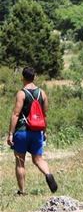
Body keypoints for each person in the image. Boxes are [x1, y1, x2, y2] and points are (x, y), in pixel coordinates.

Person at [6, 67, 58, 195]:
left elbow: (16, 114)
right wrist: (44, 131)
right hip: (37, 131)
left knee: (20, 161)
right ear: (34, 77)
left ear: (22, 78)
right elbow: (44, 115)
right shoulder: (42, 93)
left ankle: (22, 191)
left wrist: (11, 133)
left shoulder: (21, 93)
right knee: (38, 159)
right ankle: (48, 174)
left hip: (22, 131)